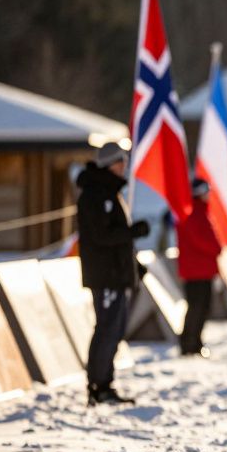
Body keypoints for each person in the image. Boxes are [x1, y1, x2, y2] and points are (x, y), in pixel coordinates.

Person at [75, 142, 147, 405]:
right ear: (110, 163)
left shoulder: (110, 192)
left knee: (115, 331)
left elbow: (115, 238)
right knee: (106, 329)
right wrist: (133, 232)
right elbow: (102, 236)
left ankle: (105, 382)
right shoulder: (95, 194)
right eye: (121, 161)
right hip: (105, 276)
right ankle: (98, 385)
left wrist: (133, 265)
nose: (124, 166)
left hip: (116, 274)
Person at [176, 179, 222, 357]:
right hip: (195, 271)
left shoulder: (201, 211)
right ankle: (189, 342)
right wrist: (215, 247)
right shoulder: (191, 212)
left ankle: (195, 342)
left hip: (202, 269)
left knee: (203, 307)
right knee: (196, 307)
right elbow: (202, 240)